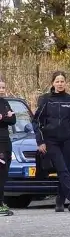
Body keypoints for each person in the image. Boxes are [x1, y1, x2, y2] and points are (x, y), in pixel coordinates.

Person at [32, 71, 70, 212]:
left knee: (66, 171)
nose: (60, 84)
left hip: (67, 140)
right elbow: (36, 121)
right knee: (62, 169)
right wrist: (40, 141)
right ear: (53, 83)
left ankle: (60, 202)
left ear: (65, 83)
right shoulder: (46, 100)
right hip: (51, 141)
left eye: (62, 81)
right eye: (57, 81)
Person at [0, 77, 15, 216]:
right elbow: (8, 117)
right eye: (0, 87)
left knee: (4, 172)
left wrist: (3, 117)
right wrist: (7, 116)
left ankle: (1, 202)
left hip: (6, 141)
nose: (1, 90)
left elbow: (13, 119)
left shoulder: (5, 102)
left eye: (3, 87)